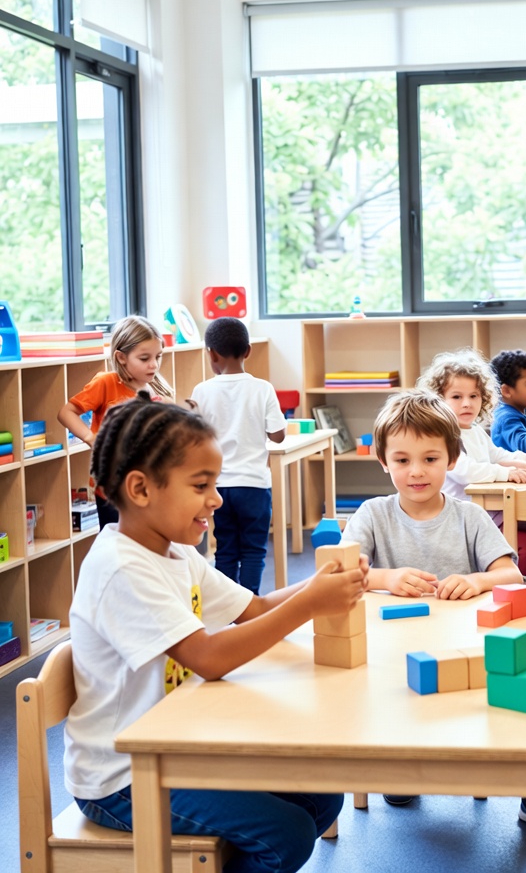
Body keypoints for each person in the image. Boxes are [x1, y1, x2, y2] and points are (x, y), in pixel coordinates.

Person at [64, 394, 368, 873]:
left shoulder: (174, 550)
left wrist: (323, 581)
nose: (218, 499)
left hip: (180, 746)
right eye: (201, 485)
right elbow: (206, 657)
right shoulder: (120, 567)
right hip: (121, 779)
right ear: (141, 489)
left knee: (322, 794)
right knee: (285, 834)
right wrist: (312, 602)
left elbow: (255, 608)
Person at [343, 389, 526, 836]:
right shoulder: (372, 514)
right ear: (383, 461)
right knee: (382, 694)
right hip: (392, 651)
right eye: (402, 461)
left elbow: (511, 576)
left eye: (430, 459)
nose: (416, 472)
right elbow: (340, 572)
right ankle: (401, 766)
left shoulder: (469, 516)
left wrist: (478, 580)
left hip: (470, 645)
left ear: (452, 459)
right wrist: (385, 578)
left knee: (521, 694)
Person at [417, 348, 526, 574]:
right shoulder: (444, 435)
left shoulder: (474, 430)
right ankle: (514, 584)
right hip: (465, 518)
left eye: (473, 396)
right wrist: (504, 474)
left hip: (490, 509)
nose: (467, 403)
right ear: (438, 400)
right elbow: (465, 471)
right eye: (457, 397)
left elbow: (498, 454)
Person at [191, 317, 286, 593]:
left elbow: (195, 437)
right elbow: (277, 435)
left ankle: (228, 604)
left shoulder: (202, 390)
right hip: (254, 485)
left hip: (217, 488)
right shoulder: (262, 388)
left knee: (226, 548)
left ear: (211, 353)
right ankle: (251, 602)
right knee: (254, 550)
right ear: (248, 351)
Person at [58, 315, 174, 530]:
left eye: (158, 356)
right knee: (118, 546)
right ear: (121, 357)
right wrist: (91, 437)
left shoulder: (157, 393)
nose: (154, 365)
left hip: (147, 487)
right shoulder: (107, 383)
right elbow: (67, 412)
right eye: (144, 358)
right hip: (112, 488)